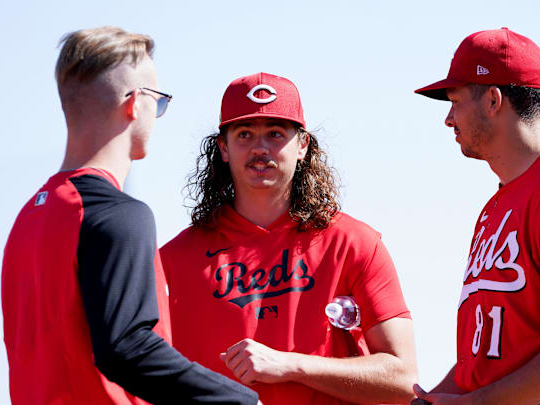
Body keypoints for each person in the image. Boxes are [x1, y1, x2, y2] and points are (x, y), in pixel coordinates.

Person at [1, 26, 259, 405]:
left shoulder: (28, 217)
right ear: (135, 103)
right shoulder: (117, 215)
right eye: (159, 101)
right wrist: (242, 401)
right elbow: (127, 348)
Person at [160, 72, 418, 404]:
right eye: (244, 134)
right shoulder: (172, 260)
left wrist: (291, 365)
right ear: (223, 148)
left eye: (276, 134)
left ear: (302, 145)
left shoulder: (354, 243)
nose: (259, 148)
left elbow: (403, 379)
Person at [411, 28, 540, 405]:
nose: (447, 117)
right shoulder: (497, 205)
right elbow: (488, 361)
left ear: (493, 100)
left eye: (455, 100)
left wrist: (479, 403)